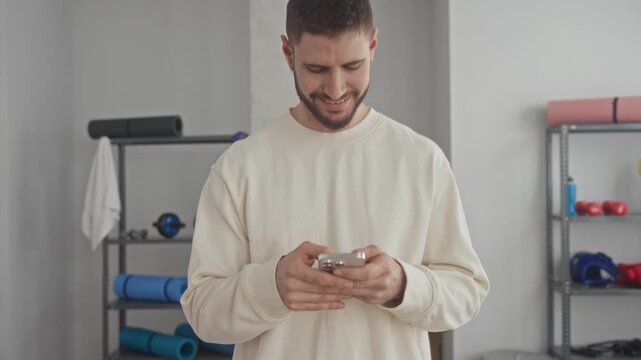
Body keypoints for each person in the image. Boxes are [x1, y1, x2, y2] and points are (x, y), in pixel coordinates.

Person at [181, 0, 489, 359]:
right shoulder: (238, 169)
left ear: (373, 47)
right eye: (317, 68)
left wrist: (403, 284)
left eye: (352, 65)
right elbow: (202, 313)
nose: (336, 89)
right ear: (287, 52)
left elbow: (467, 293)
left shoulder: (422, 160)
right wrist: (273, 286)